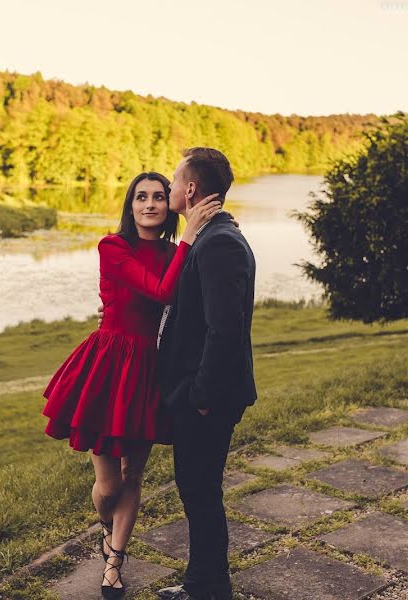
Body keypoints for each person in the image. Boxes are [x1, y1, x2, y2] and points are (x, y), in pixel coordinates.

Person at [41, 171, 222, 599]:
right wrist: (190, 238)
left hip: (148, 369)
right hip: (110, 366)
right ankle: (107, 531)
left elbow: (185, 303)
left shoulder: (174, 252)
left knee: (133, 473)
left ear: (167, 205)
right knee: (109, 486)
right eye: (141, 197)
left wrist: (186, 246)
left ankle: (114, 562)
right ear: (131, 204)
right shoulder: (113, 246)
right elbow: (160, 291)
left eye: (159, 196)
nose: (151, 204)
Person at [155, 147, 257, 600]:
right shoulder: (210, 236)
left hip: (208, 398)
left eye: (175, 181)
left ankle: (209, 590)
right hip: (202, 393)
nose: (170, 188)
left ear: (191, 188)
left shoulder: (219, 243)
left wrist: (199, 394)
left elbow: (225, 330)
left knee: (200, 494)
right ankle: (205, 584)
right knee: (198, 492)